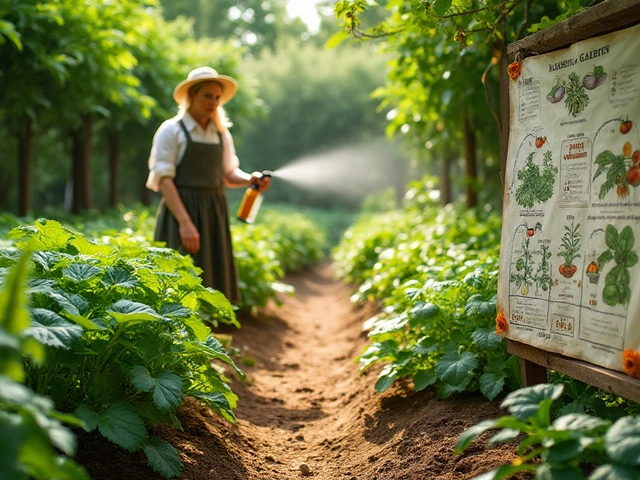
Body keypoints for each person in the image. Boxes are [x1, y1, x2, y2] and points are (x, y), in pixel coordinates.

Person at [146, 66, 270, 303]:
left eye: (217, 97)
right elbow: (163, 180)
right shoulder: (171, 130)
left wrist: (249, 179)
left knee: (213, 272)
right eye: (207, 96)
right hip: (181, 209)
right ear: (191, 96)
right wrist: (185, 223)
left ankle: (210, 330)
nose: (213, 102)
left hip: (213, 211)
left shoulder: (221, 134)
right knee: (176, 274)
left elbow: (228, 174)